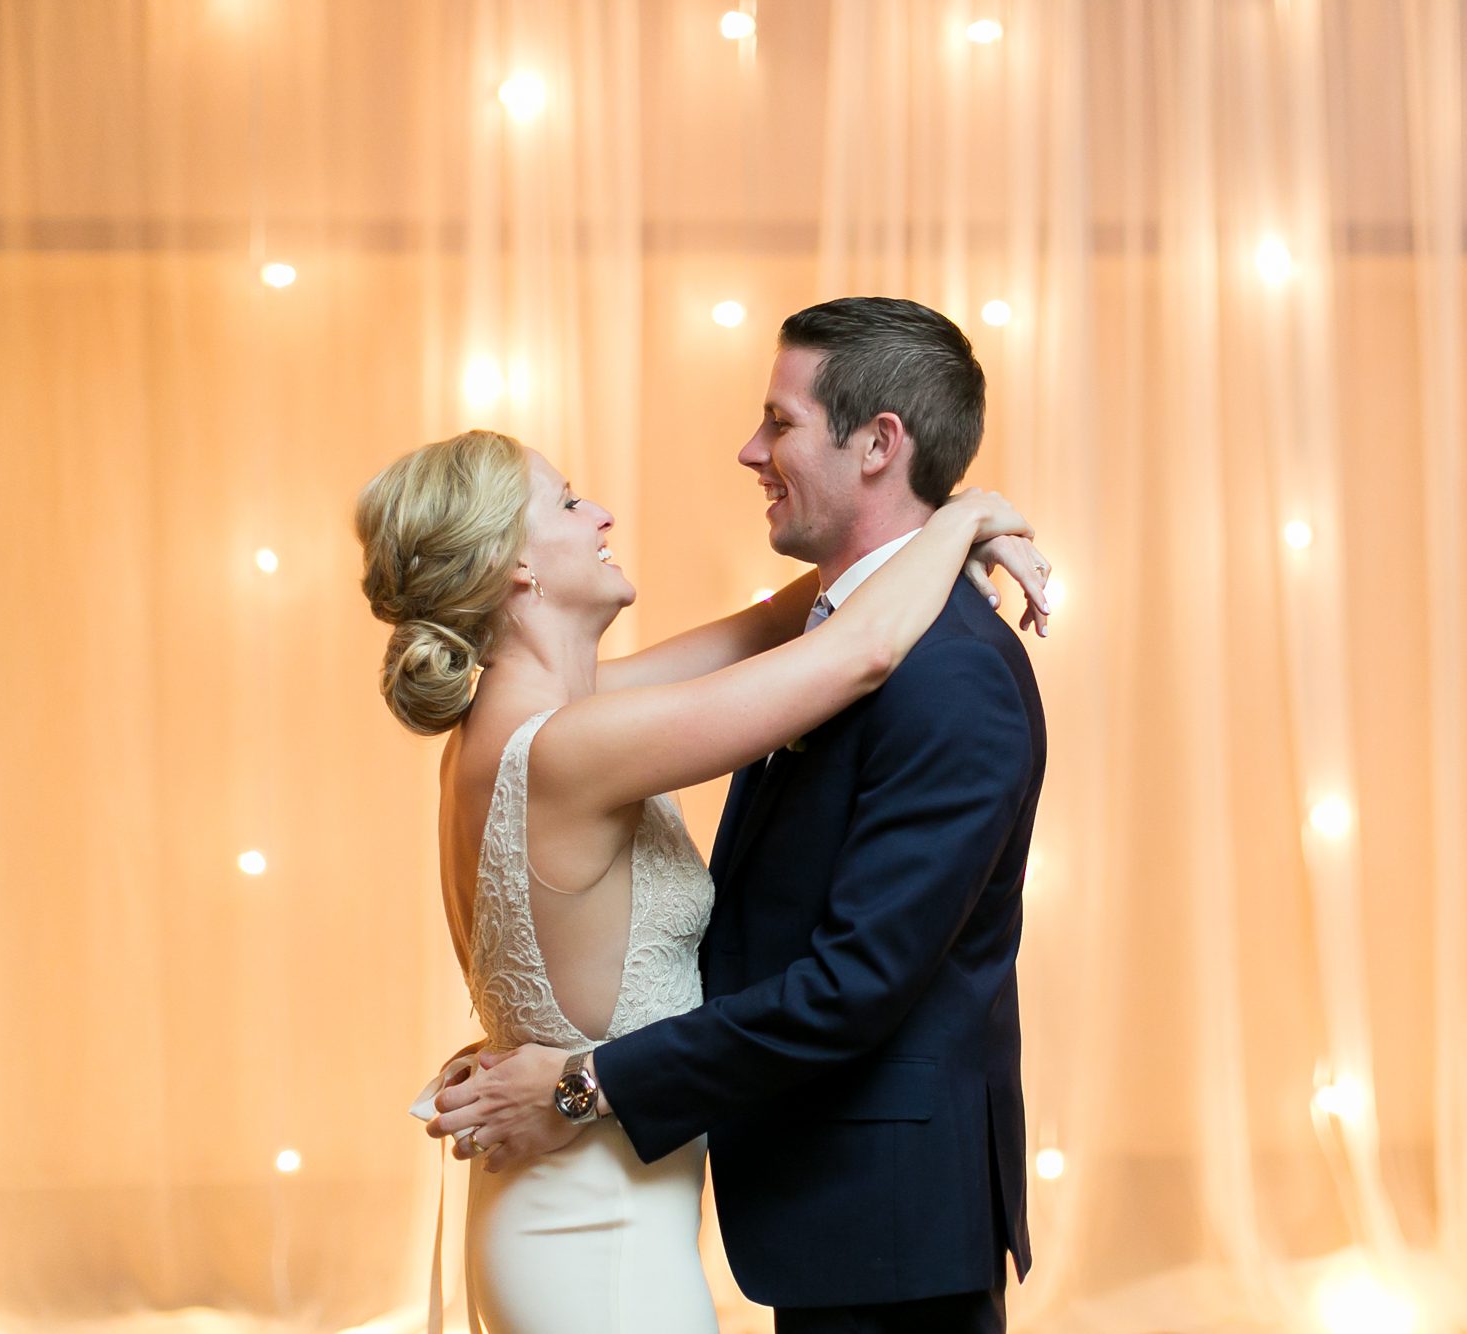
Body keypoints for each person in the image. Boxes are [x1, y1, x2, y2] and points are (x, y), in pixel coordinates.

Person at [363, 381, 1048, 1332]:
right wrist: (969, 513)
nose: (599, 511)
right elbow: (854, 655)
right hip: (595, 1244)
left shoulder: (530, 722)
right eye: (567, 503)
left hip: (572, 1219)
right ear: (512, 564)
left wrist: (928, 528)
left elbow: (774, 624)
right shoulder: (573, 748)